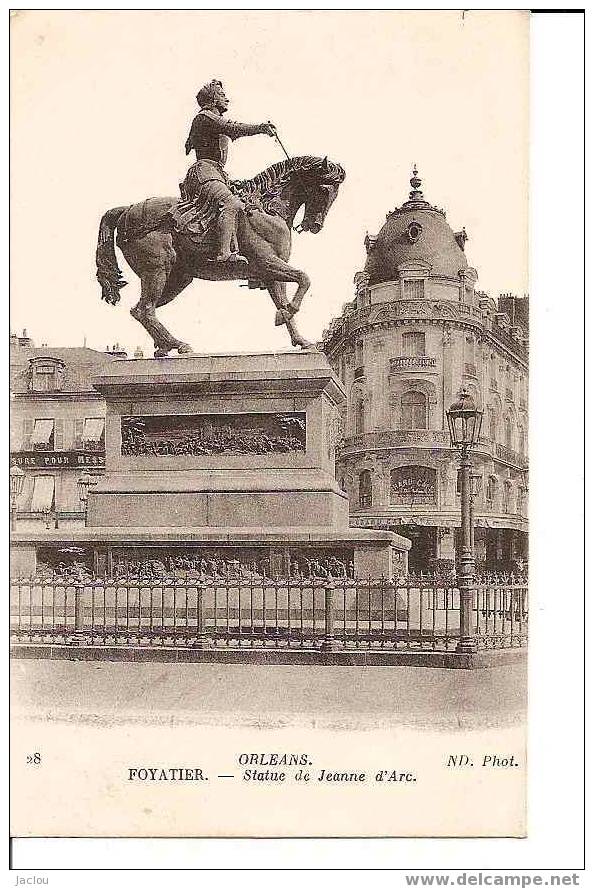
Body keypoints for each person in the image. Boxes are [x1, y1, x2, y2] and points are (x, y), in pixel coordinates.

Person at [180, 79, 276, 263]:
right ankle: (224, 253)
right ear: (213, 99)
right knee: (231, 204)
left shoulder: (211, 118)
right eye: (222, 96)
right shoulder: (205, 117)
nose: (227, 100)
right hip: (204, 173)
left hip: (216, 173)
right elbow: (233, 128)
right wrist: (261, 128)